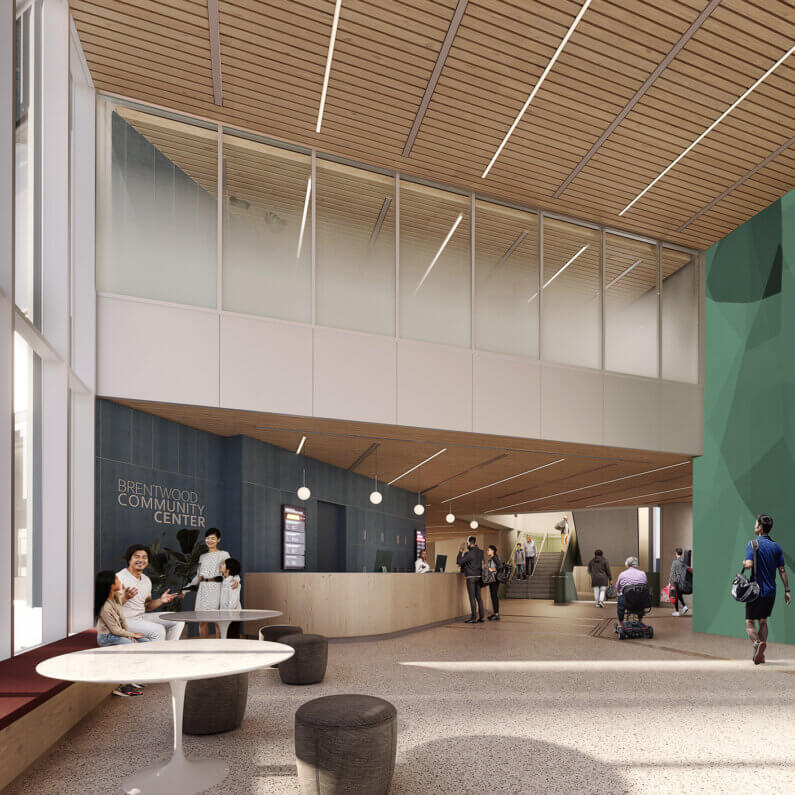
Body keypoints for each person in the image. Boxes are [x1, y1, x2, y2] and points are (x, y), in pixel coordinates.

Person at [742, 514, 790, 665]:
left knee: (749, 623)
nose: (754, 526)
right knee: (763, 621)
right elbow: (782, 570)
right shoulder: (776, 547)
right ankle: (761, 656)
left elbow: (749, 564)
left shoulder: (753, 544)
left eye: (756, 524)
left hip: (755, 591)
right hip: (771, 592)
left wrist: (745, 563)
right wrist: (787, 590)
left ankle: (757, 645)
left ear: (760, 528)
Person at [94, 570, 150, 697]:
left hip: (117, 634)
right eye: (117, 580)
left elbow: (122, 621)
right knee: (133, 646)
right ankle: (123, 686)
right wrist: (132, 636)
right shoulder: (105, 606)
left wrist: (130, 634)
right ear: (110, 585)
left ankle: (135, 678)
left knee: (146, 643)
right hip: (107, 637)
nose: (120, 581)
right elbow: (114, 630)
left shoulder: (115, 598)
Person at [117, 545, 183, 642]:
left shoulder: (146, 579)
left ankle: (169, 650)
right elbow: (110, 608)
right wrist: (125, 598)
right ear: (129, 559)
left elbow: (147, 606)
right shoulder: (119, 577)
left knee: (178, 620)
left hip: (140, 617)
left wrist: (161, 600)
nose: (141, 560)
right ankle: (156, 656)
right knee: (158, 630)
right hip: (123, 620)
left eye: (144, 557)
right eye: (137, 556)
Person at [184, 528, 231, 637]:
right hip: (203, 589)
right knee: (202, 620)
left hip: (216, 589)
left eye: (213, 538)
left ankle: (220, 646)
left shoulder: (224, 554)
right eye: (208, 538)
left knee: (217, 621)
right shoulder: (202, 556)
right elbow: (198, 577)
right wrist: (185, 590)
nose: (210, 540)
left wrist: (235, 582)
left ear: (218, 540)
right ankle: (203, 647)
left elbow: (230, 571)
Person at [457, 536, 485, 623]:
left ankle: (473, 618)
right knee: (479, 598)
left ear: (469, 543)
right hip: (479, 577)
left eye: (467, 544)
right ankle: (482, 617)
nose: (467, 545)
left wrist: (460, 551)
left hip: (471, 578)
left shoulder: (470, 553)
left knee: (472, 597)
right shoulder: (481, 552)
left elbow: (459, 562)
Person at [615, 557, 647, 622]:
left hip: (626, 601)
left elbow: (617, 588)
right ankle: (640, 620)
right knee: (641, 598)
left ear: (627, 565)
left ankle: (620, 623)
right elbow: (645, 585)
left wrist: (619, 592)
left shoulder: (622, 574)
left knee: (620, 600)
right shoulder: (643, 574)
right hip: (640, 600)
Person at [669, 547, 690, 616]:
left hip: (676, 581)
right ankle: (684, 607)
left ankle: (677, 612)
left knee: (675, 596)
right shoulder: (684, 561)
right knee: (679, 595)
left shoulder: (675, 562)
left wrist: (669, 582)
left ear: (676, 553)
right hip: (683, 582)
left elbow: (672, 573)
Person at [485, 544, 502, 621]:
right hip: (492, 579)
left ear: (493, 551)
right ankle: (495, 613)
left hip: (495, 580)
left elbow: (500, 567)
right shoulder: (493, 558)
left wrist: (492, 570)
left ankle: (496, 614)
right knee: (493, 596)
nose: (487, 551)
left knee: (494, 596)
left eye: (488, 550)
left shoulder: (495, 558)